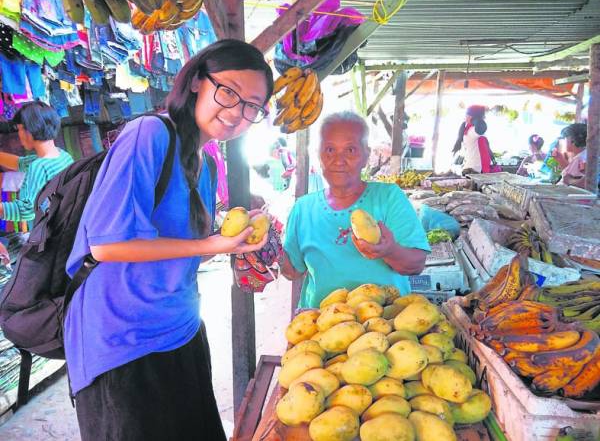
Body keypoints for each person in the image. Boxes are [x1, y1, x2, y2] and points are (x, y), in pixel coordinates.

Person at [64, 39, 273, 441]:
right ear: (197, 81)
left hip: (181, 329)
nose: (236, 113)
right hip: (122, 339)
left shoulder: (207, 164)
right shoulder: (149, 134)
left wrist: (233, 238)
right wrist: (211, 245)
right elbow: (107, 245)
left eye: (252, 106)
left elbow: (175, 252)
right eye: (228, 91)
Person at [280, 111, 430, 308]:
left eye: (350, 150)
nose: (339, 160)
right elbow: (292, 271)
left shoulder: (389, 197)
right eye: (330, 150)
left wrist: (389, 250)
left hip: (385, 328)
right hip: (322, 328)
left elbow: (416, 265)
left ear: (366, 155)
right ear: (319, 155)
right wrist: (268, 247)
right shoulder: (303, 208)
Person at [0, 101, 73, 223]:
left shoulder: (39, 167)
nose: (19, 135)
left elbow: (25, 211)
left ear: (29, 130)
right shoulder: (63, 156)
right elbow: (20, 163)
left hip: (52, 231)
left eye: (19, 129)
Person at [452, 105, 497, 174]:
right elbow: (482, 127)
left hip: (470, 168)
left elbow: (481, 127)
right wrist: (475, 119)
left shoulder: (469, 129)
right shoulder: (472, 131)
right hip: (474, 170)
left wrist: (474, 119)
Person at [553, 123, 587, 188]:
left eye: (565, 138)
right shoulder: (581, 156)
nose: (564, 141)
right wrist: (561, 160)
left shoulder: (581, 158)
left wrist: (569, 180)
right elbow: (573, 174)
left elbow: (583, 183)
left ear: (572, 140)